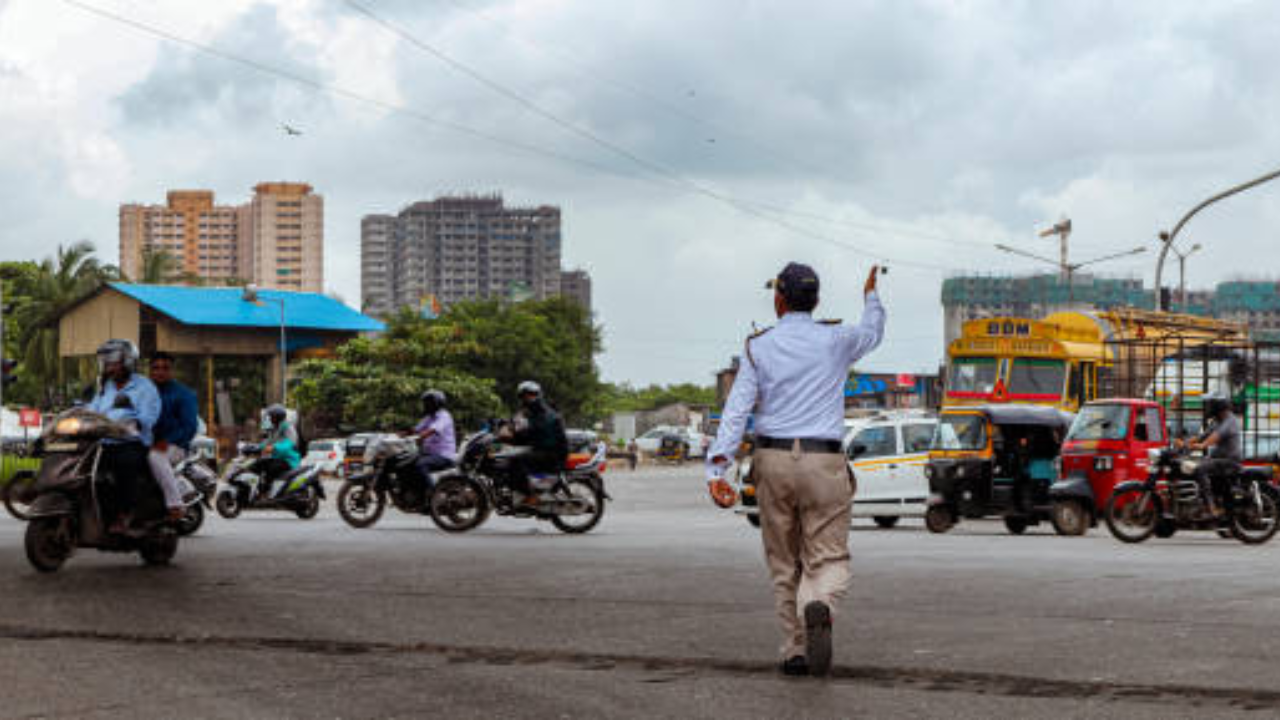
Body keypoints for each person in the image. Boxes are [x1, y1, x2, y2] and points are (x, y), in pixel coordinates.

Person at [706, 262, 885, 678]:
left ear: (778, 300)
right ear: (817, 300)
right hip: (824, 461)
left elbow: (737, 411)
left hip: (772, 461)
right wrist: (871, 295)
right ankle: (817, 605)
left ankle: (794, 650)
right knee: (828, 557)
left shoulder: (758, 346)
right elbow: (873, 331)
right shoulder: (838, 339)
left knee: (784, 562)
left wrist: (718, 470)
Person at [86, 340, 162, 534]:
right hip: (104, 442)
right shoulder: (106, 387)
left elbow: (149, 418)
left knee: (124, 465)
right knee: (81, 467)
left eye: (114, 362)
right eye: (107, 363)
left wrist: (133, 417)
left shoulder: (145, 387)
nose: (109, 367)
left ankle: (125, 514)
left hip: (131, 443)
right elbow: (92, 410)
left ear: (128, 362)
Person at [147, 352, 199, 521]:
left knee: (155, 456)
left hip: (175, 446)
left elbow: (190, 427)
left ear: (172, 371)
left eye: (165, 368)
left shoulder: (184, 394)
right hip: (145, 442)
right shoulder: (143, 393)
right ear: (150, 371)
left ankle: (175, 504)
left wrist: (167, 441)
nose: (160, 372)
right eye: (156, 368)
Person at [501, 381, 569, 501]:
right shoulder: (531, 410)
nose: (528, 397)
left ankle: (527, 495)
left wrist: (515, 434)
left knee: (517, 460)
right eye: (525, 395)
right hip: (542, 448)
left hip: (552, 452)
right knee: (511, 455)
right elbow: (516, 420)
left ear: (538, 395)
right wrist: (504, 424)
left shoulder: (542, 412)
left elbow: (532, 430)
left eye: (531, 394)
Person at [1185, 395, 1241, 517]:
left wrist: (1202, 446)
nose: (1209, 408)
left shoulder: (1229, 421)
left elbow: (1215, 436)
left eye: (1211, 406)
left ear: (1218, 408)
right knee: (1191, 464)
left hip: (1229, 461)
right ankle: (1197, 499)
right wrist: (1185, 443)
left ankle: (1210, 506)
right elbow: (1203, 436)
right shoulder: (1217, 421)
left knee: (1200, 469)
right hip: (1218, 459)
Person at [256, 404, 301, 498]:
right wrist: (254, 447)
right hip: (277, 458)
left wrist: (274, 448)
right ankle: (258, 489)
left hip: (289, 460)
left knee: (271, 468)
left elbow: (289, 443)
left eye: (272, 416)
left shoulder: (288, 428)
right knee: (258, 464)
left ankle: (267, 492)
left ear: (277, 417)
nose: (270, 419)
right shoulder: (274, 429)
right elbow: (267, 442)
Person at [413, 390, 456, 481]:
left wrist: (419, 437)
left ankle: (431, 491)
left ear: (437, 403)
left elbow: (432, 430)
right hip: (428, 454)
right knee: (406, 461)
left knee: (421, 464)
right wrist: (397, 436)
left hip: (443, 456)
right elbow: (415, 430)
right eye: (425, 402)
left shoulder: (444, 416)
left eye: (428, 402)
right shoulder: (428, 417)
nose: (425, 405)